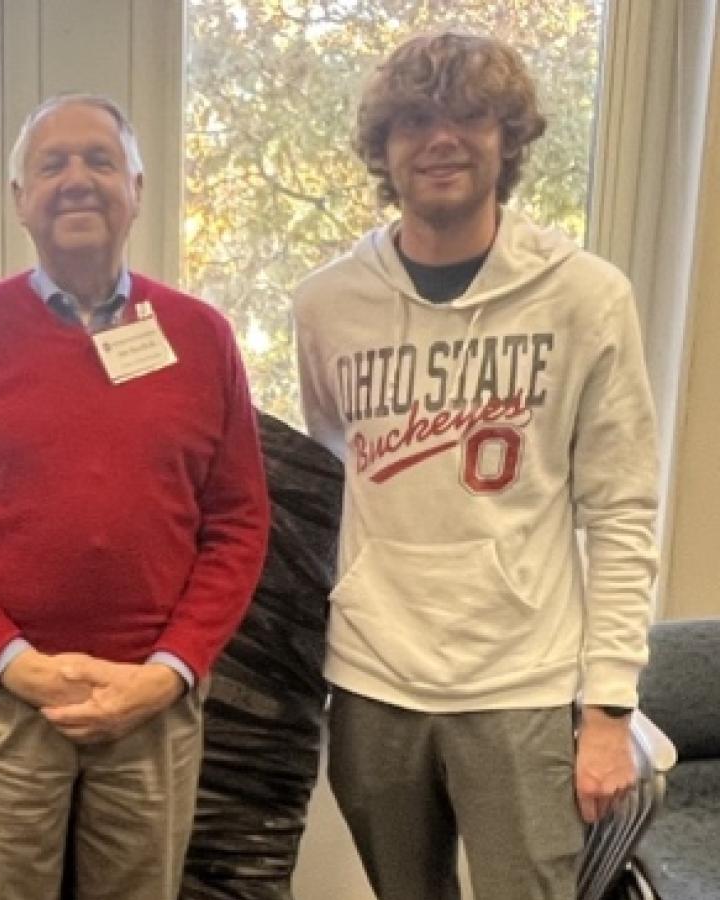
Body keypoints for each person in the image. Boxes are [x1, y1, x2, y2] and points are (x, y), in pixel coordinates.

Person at [292, 31, 659, 900]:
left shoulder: (585, 296)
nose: (441, 138)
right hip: (373, 680)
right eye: (414, 119)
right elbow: (339, 466)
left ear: (509, 137)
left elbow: (623, 508)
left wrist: (609, 707)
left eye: (469, 115)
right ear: (384, 147)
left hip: (522, 684)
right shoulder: (327, 304)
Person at [0, 94, 269, 900]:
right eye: (51, 164)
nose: (77, 180)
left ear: (136, 186)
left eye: (99, 160)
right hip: (4, 697)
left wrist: (169, 672)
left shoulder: (200, 337)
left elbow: (238, 524)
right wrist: (16, 664)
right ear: (19, 199)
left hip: (153, 703)